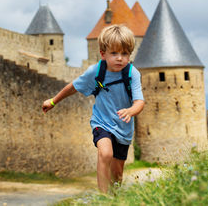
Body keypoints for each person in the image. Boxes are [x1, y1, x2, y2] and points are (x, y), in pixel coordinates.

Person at [42, 24, 145, 193]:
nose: (119, 58)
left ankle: (115, 199)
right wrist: (53, 101)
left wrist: (131, 111)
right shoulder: (96, 72)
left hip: (124, 129)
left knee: (117, 174)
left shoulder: (132, 74)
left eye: (124, 53)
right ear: (103, 53)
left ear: (130, 54)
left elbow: (140, 102)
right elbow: (73, 87)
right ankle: (103, 199)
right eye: (114, 53)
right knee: (105, 153)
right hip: (102, 123)